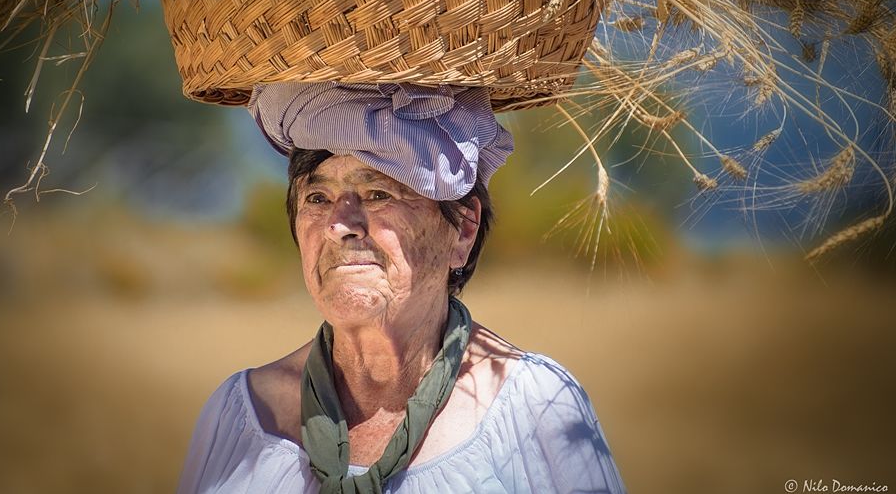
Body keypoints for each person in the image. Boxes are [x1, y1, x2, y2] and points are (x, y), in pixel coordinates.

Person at [175, 82, 627, 494]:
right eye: (317, 198)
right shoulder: (241, 414)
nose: (339, 225)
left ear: (463, 230)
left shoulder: (537, 406)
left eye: (378, 194)